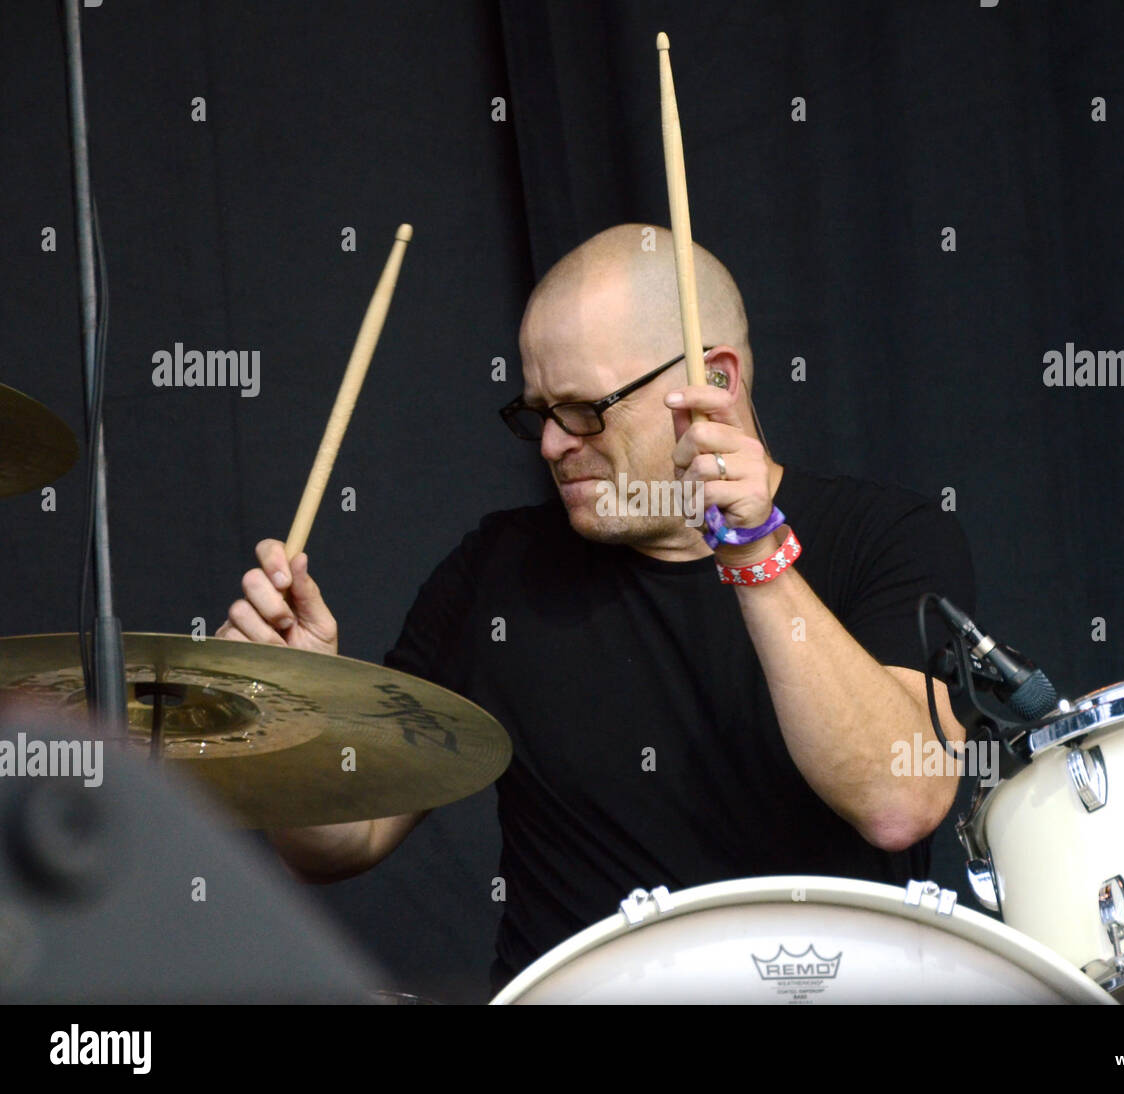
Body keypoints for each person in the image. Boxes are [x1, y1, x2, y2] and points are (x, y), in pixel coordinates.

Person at [215, 224, 975, 994]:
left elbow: (900, 801)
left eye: (583, 409)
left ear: (715, 379)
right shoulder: (496, 572)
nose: (550, 444)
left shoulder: (891, 539)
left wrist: (752, 551)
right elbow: (341, 846)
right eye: (537, 411)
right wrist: (293, 711)